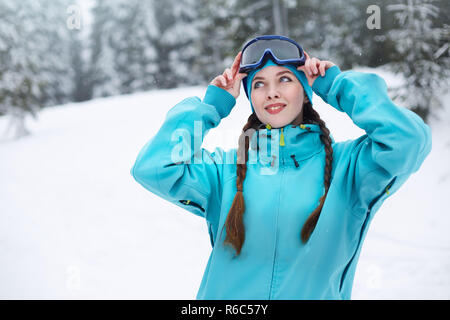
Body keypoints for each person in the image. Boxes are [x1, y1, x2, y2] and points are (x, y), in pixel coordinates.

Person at [130, 35, 432, 299]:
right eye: (259, 84)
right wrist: (211, 107)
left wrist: (338, 86)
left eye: (284, 79)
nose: (271, 92)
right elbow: (154, 167)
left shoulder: (349, 168)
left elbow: (408, 140)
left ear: (306, 91)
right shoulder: (225, 171)